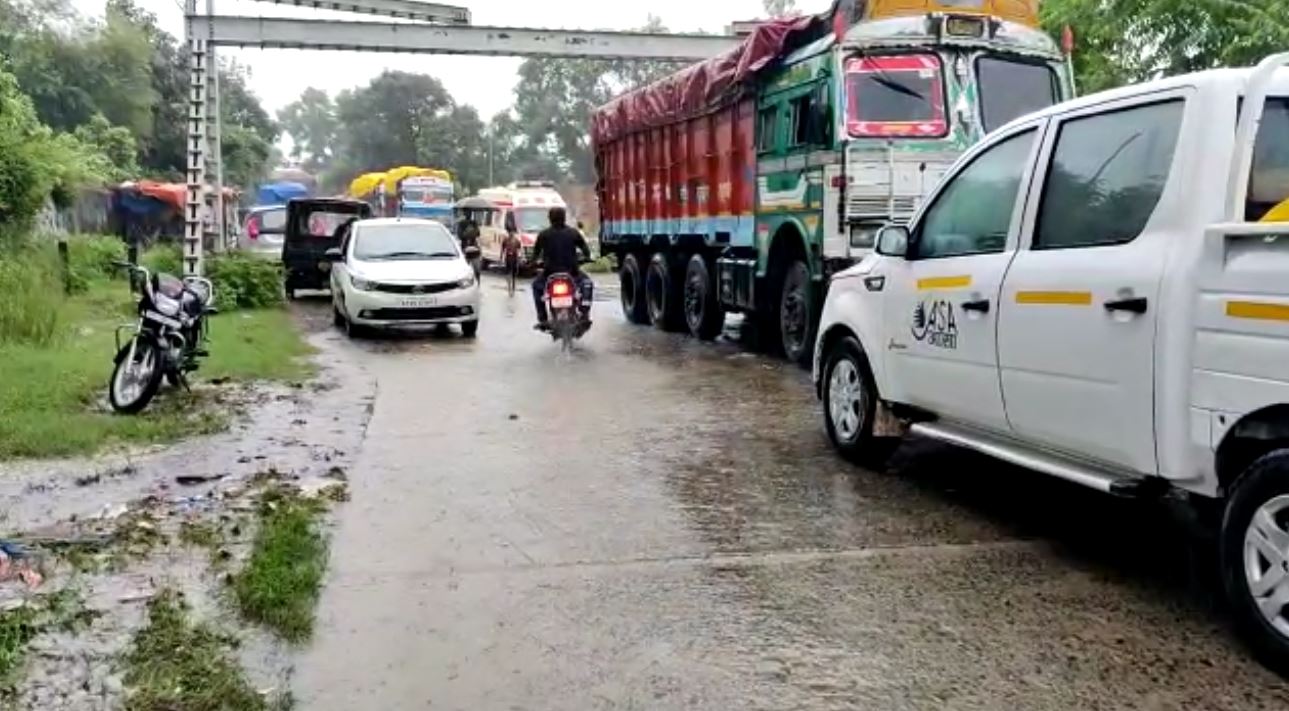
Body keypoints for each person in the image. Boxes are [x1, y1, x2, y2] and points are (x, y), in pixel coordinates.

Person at [531, 206, 593, 330]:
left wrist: (532, 263)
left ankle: (542, 318)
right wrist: (586, 258)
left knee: (536, 286)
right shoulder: (573, 233)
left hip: (549, 274)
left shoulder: (543, 235)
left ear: (550, 219)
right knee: (587, 283)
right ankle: (584, 313)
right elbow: (586, 251)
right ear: (564, 218)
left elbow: (535, 255)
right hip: (572, 273)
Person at [500, 223, 523, 295]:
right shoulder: (505, 240)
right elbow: (503, 249)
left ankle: (513, 287)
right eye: (510, 232)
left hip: (514, 258)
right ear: (508, 233)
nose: (511, 233)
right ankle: (509, 287)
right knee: (508, 273)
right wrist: (501, 257)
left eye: (512, 232)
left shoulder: (516, 241)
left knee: (514, 274)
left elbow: (519, 249)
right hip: (508, 258)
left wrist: (520, 258)